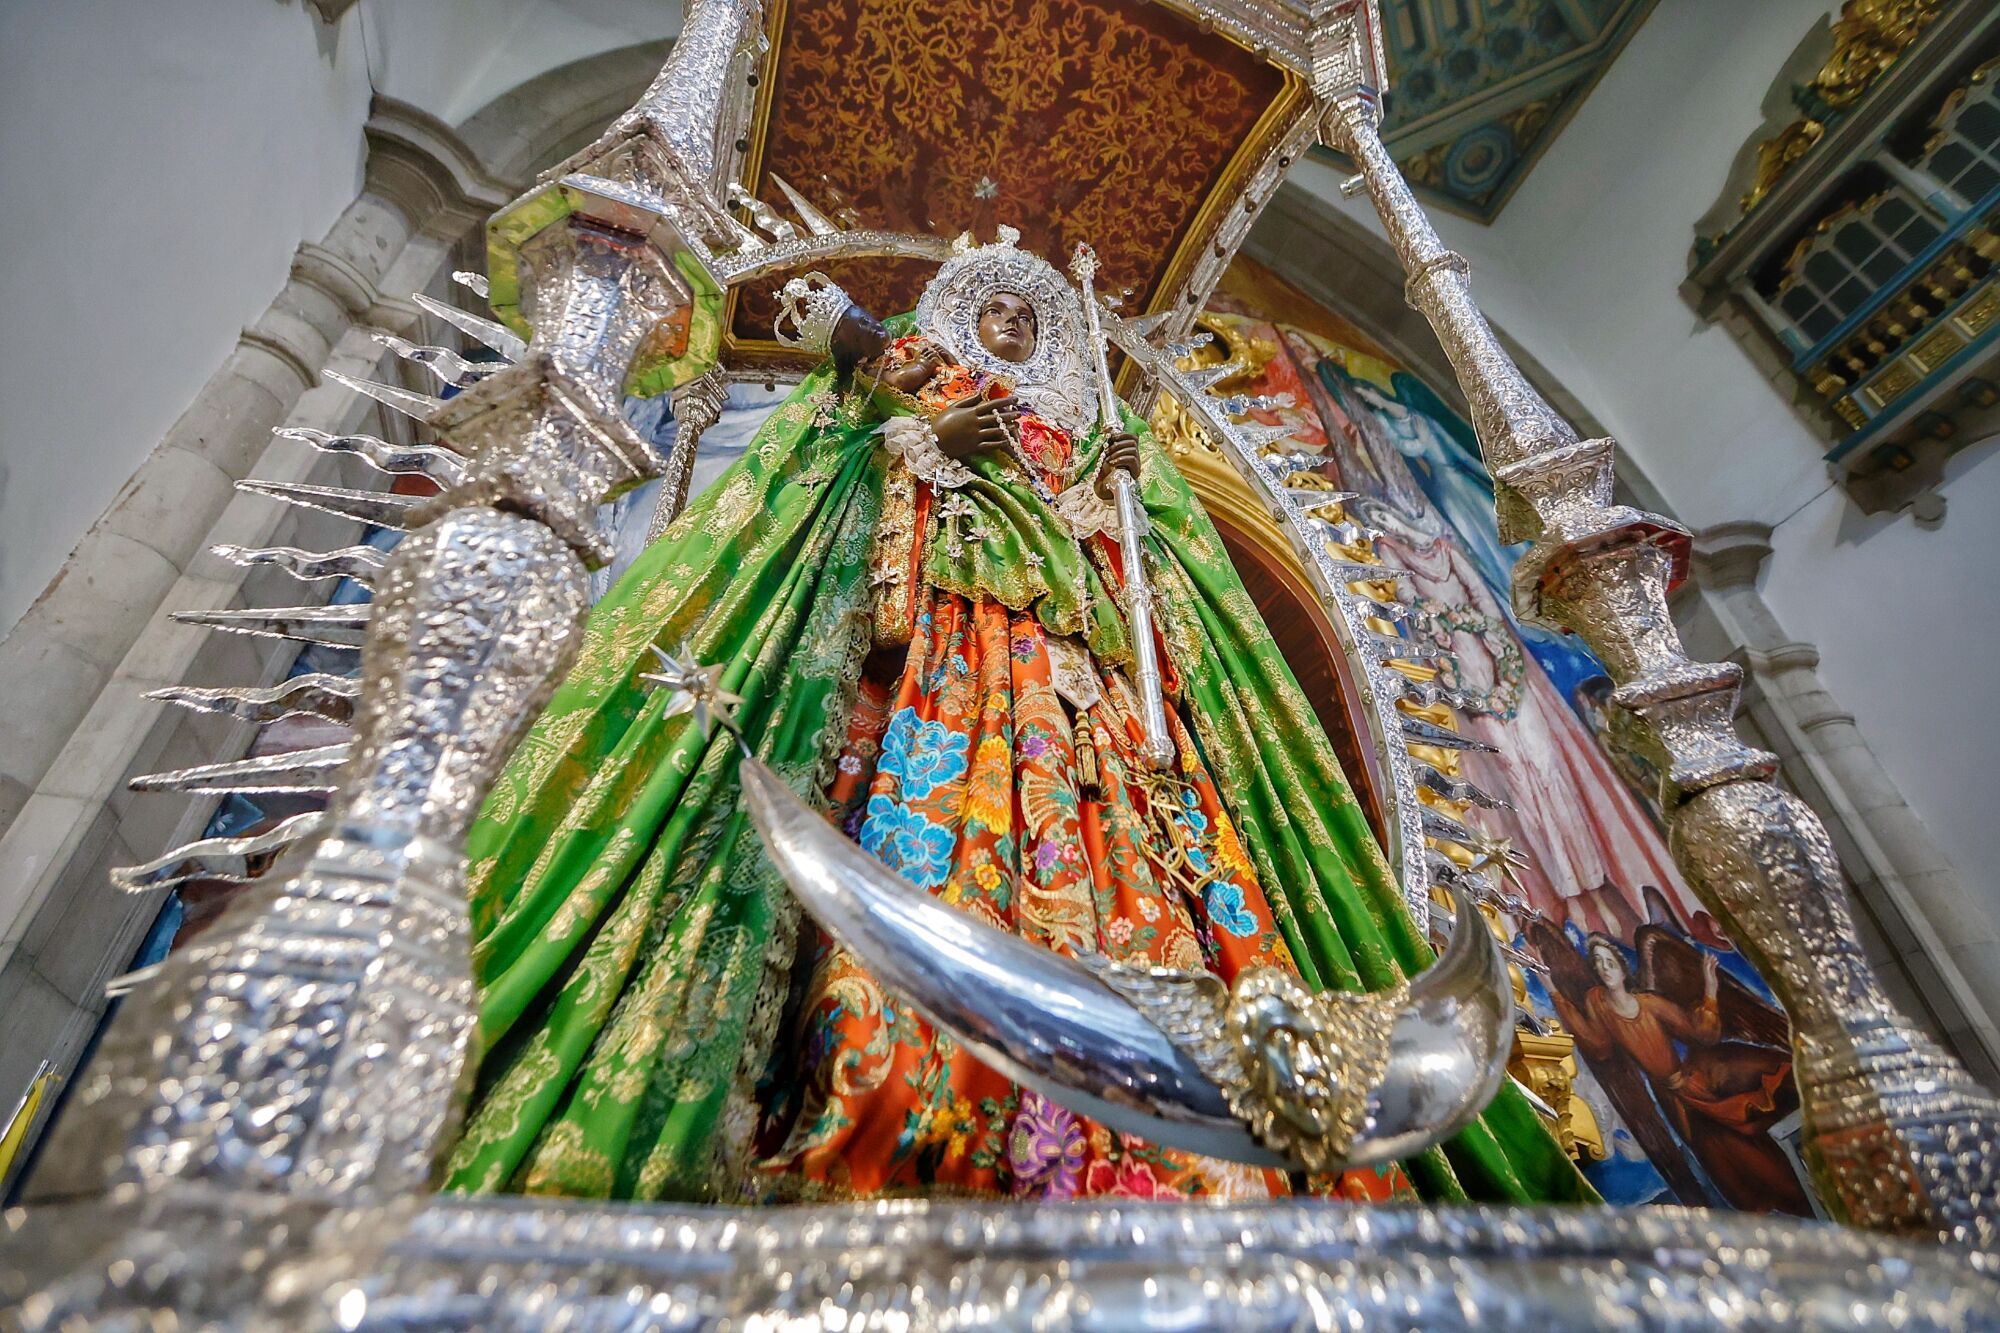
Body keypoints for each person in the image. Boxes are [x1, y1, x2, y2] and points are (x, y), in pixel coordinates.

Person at [440, 231, 1586, 1206]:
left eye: (1019, 318)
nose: (1002, 328)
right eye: (985, 310)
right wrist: (925, 447)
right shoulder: (921, 390)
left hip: (1089, 684)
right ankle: (929, 1069)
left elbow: (1135, 585)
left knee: (1142, 850)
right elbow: (863, 468)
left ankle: (1179, 1087)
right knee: (939, 806)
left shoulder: (1071, 442)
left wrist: (1120, 487)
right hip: (965, 651)